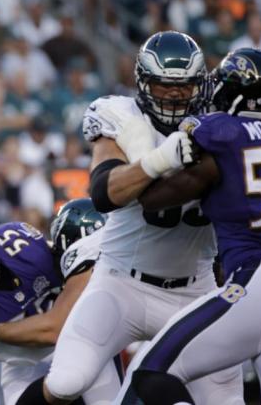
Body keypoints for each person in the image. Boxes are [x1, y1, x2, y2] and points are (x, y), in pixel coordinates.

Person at [16, 31, 243, 405]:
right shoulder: (122, 116)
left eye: (184, 86)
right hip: (122, 282)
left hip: (196, 289)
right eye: (162, 84)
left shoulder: (220, 125)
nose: (174, 94)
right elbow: (105, 193)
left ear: (201, 85)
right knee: (66, 383)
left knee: (225, 401)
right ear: (142, 82)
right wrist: (159, 160)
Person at [116, 48, 261, 404]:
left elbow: (151, 199)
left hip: (259, 281)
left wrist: (144, 159)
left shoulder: (223, 133)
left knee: (148, 374)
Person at [0, 200, 121, 405]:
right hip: (23, 363)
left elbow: (53, 328)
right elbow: (16, 353)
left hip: (77, 338)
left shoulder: (15, 243)